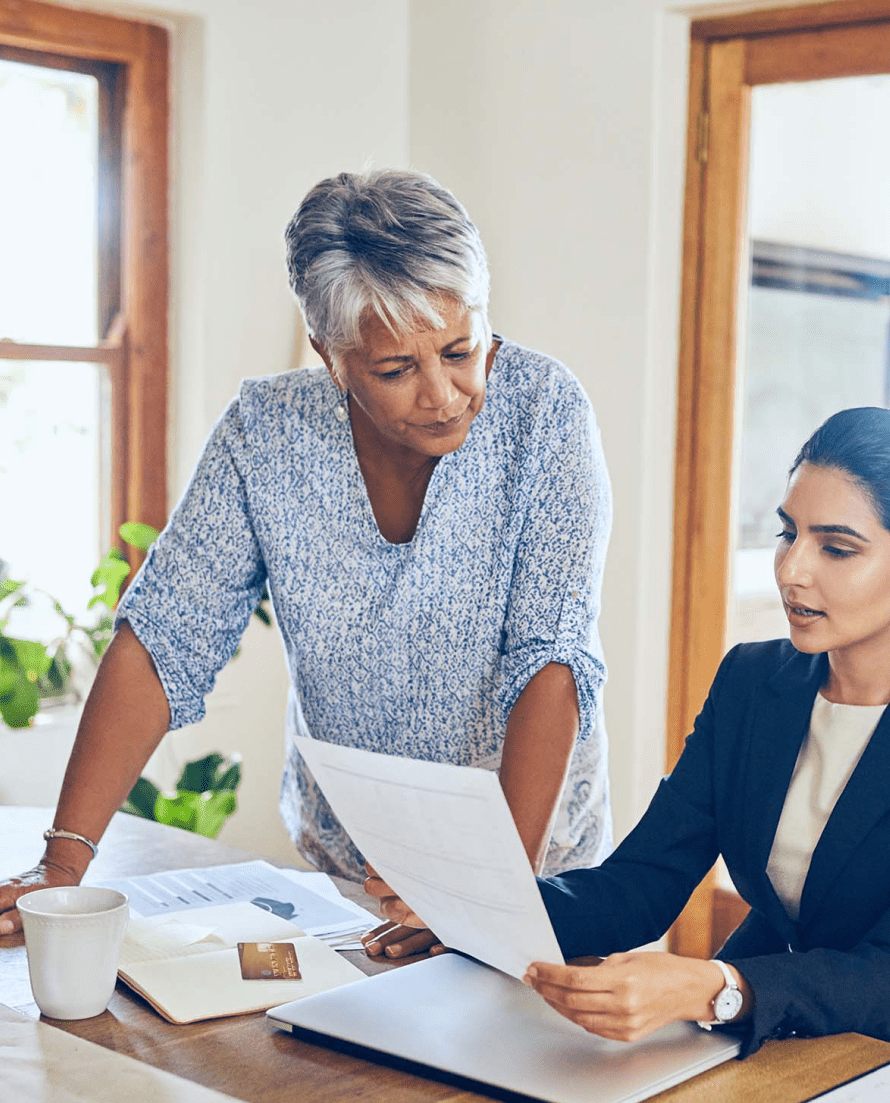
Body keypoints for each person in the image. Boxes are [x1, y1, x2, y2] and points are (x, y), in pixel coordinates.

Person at [0, 170, 614, 946]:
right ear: (331, 357)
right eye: (396, 370)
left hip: (536, 872)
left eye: (461, 350)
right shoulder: (266, 433)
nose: (444, 394)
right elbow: (162, 640)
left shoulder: (545, 413)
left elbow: (551, 661)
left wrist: (492, 894)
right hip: (351, 874)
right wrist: (63, 864)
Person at [372, 407, 890, 1066]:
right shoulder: (754, 682)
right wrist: (474, 912)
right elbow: (643, 881)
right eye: (789, 533)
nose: (793, 570)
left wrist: (713, 986)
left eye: (837, 548)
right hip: (769, 1039)